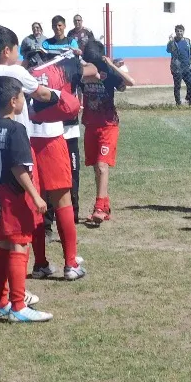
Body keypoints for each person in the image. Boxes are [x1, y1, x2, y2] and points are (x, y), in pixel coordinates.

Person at [0, 25, 57, 305]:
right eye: (16, 49)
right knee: (19, 229)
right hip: (15, 151)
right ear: (7, 51)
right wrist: (62, 97)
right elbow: (42, 94)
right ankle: (14, 293)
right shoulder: (18, 75)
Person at [0, 75, 52, 323]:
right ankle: (19, 307)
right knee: (19, 245)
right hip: (15, 198)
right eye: (21, 96)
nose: (23, 100)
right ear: (13, 101)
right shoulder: (17, 129)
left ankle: (0, 304)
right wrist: (36, 196)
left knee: (4, 247)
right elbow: (19, 168)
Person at [25, 46, 86, 281]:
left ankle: (40, 262)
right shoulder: (55, 73)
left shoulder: (20, 74)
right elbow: (69, 104)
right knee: (63, 202)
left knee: (36, 202)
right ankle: (70, 263)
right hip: (50, 139)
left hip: (27, 141)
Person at [80, 39, 136, 226]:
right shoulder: (83, 70)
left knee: (102, 166)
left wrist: (112, 65)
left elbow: (130, 82)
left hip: (108, 125)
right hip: (90, 125)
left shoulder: (108, 71)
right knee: (97, 167)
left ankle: (99, 207)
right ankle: (105, 205)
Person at [167, 25, 191, 106]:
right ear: (175, 32)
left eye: (181, 31)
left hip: (187, 67)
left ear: (183, 32)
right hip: (177, 68)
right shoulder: (173, 42)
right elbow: (169, 50)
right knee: (177, 86)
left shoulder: (187, 41)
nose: (179, 33)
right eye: (178, 31)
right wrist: (170, 41)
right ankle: (178, 103)